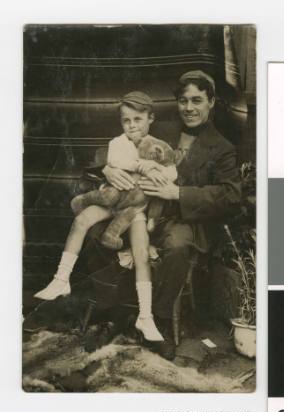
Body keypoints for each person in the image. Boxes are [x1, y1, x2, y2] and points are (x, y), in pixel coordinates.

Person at [84, 70, 242, 360]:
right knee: (96, 232)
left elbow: (231, 196)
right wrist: (107, 168)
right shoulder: (161, 128)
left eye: (197, 100)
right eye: (183, 101)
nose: (189, 108)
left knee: (178, 246)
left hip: (184, 220)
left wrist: (177, 194)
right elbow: (111, 147)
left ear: (212, 102)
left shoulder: (222, 148)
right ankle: (110, 313)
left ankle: (160, 320)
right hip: (137, 209)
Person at [34, 91, 178, 343]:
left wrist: (158, 172)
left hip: (136, 209)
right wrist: (137, 166)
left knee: (141, 252)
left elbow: (171, 172)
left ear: (150, 118)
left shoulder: (158, 146)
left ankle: (145, 316)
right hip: (113, 200)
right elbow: (114, 160)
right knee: (81, 220)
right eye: (126, 120)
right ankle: (61, 279)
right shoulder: (117, 143)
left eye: (138, 119)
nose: (132, 125)